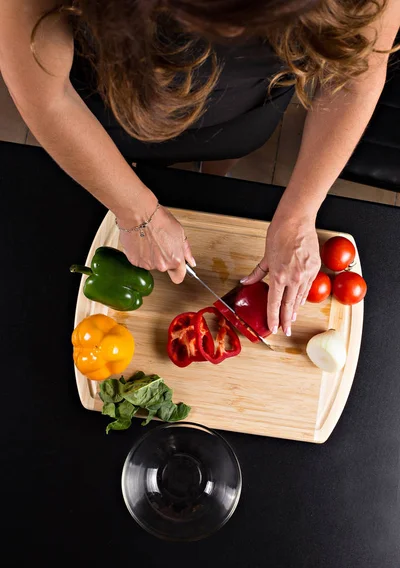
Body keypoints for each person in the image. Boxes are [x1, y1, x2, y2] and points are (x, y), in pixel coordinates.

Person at [1, 1, 399, 337]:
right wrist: (136, 212)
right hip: (105, 111)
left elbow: (355, 80)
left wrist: (299, 214)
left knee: (225, 157)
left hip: (246, 110)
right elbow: (48, 97)